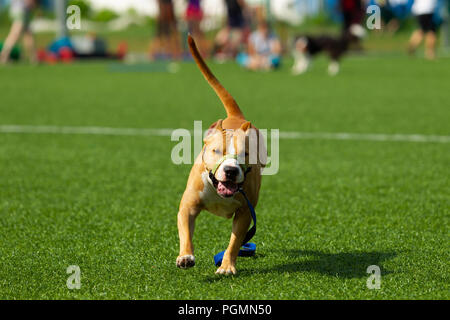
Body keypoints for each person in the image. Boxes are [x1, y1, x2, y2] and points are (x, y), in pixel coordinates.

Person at [0, 0, 38, 64]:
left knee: (28, 34)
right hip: (20, 10)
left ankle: (33, 58)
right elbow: (30, 2)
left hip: (22, 10)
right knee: (15, 34)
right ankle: (3, 56)